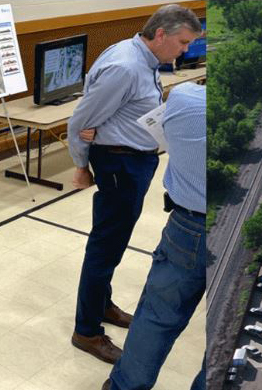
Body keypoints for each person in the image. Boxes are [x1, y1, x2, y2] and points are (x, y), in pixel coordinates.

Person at [66, 3, 202, 364]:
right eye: (183, 42)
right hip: (119, 165)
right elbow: (81, 119)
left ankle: (101, 304)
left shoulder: (140, 58)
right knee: (105, 247)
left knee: (114, 244)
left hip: (133, 161)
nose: (185, 50)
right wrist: (80, 164)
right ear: (160, 34)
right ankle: (87, 331)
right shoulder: (125, 67)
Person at [103, 81, 209, 390]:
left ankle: (124, 386)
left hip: (187, 228)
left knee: (156, 316)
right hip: (241, 235)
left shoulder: (186, 99)